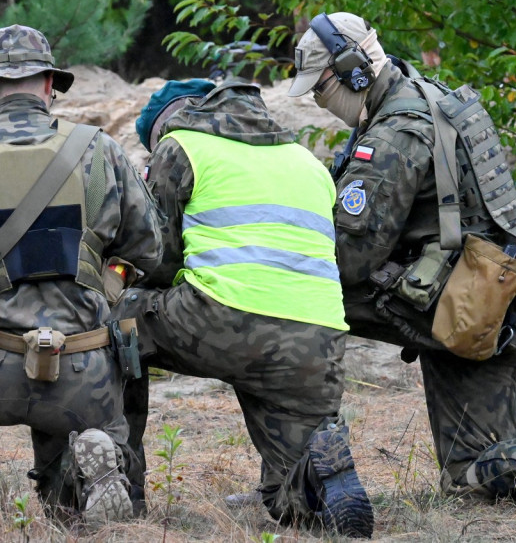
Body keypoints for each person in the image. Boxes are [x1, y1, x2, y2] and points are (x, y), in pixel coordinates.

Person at [287, 12, 516, 517]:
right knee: (473, 470)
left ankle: (293, 478)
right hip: (490, 301)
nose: (319, 102)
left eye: (319, 90)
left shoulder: (392, 136)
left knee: (292, 301)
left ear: (354, 70)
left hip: (448, 308)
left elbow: (347, 260)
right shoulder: (431, 94)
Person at [0, 24, 163, 523]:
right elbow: (147, 249)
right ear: (48, 85)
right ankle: (82, 476)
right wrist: (103, 285)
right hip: (84, 376)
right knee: (85, 405)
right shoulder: (99, 150)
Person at [111, 77, 375, 538]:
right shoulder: (307, 162)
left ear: (170, 122)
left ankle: (121, 488)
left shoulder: (180, 147)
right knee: (286, 500)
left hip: (221, 320)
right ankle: (318, 474)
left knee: (117, 327)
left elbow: (157, 257)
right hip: (317, 338)